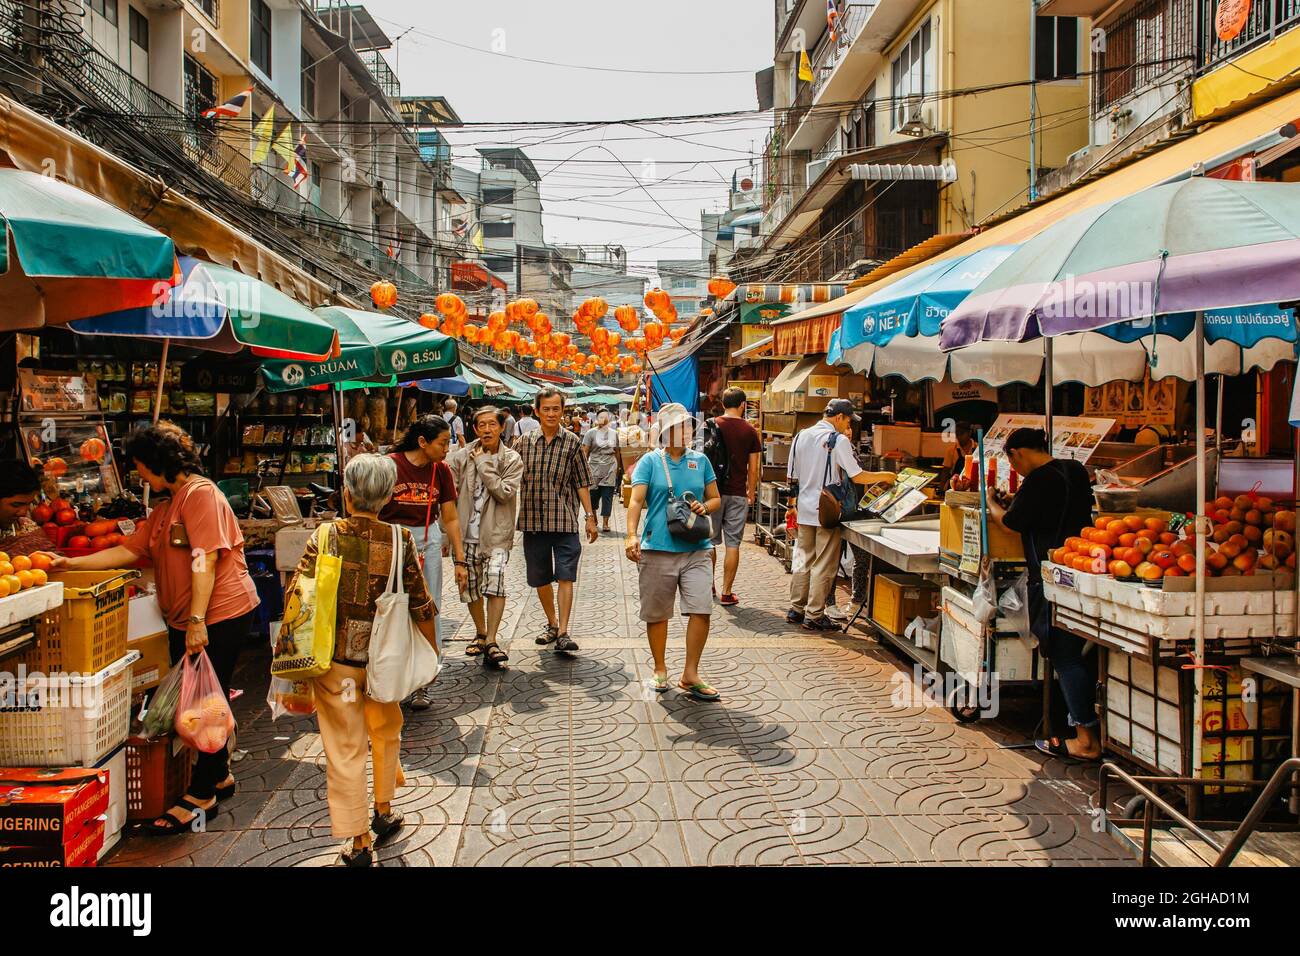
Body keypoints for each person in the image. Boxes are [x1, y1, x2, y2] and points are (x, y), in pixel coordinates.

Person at [54, 423, 259, 833]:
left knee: (202, 707)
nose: (139, 475)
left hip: (219, 613)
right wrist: (69, 565)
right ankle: (219, 775)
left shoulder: (200, 496)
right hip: (187, 618)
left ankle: (203, 793)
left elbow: (206, 559)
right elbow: (131, 549)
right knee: (204, 700)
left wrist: (198, 622)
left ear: (157, 462)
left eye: (141, 467)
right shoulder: (167, 506)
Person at [289, 454, 438, 866]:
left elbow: (298, 596)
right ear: (388, 495)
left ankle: (358, 842)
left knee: (345, 747)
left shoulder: (324, 536)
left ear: (347, 493)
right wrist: (432, 652)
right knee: (387, 728)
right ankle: (384, 810)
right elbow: (421, 604)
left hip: (335, 661)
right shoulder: (399, 539)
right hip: (383, 661)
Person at [989, 428, 1100, 760]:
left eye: (1012, 460)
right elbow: (1046, 511)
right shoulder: (1074, 470)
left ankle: (1085, 739)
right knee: (1080, 653)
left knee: (1064, 655)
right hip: (1079, 570)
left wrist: (992, 505)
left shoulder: (1038, 480)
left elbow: (1010, 523)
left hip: (1051, 578)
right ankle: (1080, 724)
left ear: (1017, 454)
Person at [625, 403, 723, 700]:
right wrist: (631, 535)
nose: (685, 431)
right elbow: (635, 501)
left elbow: (715, 498)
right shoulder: (649, 462)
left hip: (697, 548)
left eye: (688, 425)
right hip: (658, 548)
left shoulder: (701, 461)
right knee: (657, 614)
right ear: (665, 433)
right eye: (678, 426)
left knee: (701, 609)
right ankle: (660, 669)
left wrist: (704, 506)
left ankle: (690, 673)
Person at [380, 416, 468, 709]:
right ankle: (393, 676)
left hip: (428, 543)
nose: (448, 448)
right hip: (391, 542)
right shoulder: (389, 466)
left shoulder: (441, 471)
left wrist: (459, 559)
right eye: (443, 442)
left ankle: (424, 681)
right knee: (391, 609)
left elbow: (451, 517)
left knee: (429, 609)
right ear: (422, 442)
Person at [786, 400, 896, 631]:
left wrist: (792, 506)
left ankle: (796, 609)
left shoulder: (800, 437)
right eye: (847, 420)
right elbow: (857, 476)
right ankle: (814, 615)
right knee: (823, 565)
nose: (848, 425)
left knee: (803, 560)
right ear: (839, 417)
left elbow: (792, 477)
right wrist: (885, 475)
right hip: (827, 510)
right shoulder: (838, 440)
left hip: (805, 509)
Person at [516, 387, 599, 652]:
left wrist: (590, 517)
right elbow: (509, 479)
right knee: (539, 578)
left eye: (556, 409)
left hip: (564, 521)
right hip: (533, 522)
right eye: (546, 409)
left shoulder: (573, 442)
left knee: (566, 576)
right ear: (537, 411)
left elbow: (582, 482)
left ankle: (563, 631)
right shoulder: (523, 443)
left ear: (562, 411)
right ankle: (551, 624)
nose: (551, 414)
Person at [446, 407, 523, 666]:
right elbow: (449, 492)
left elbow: (504, 492)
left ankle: (491, 640)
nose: (487, 429)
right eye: (482, 425)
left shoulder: (512, 459)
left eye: (492, 424)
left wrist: (482, 464)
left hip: (497, 535)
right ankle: (480, 632)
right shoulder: (461, 457)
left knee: (495, 584)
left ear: (502, 427)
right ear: (475, 429)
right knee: (470, 587)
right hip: (466, 535)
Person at [708, 386, 762, 606]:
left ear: (723, 404)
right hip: (738, 493)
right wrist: (751, 492)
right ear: (743, 405)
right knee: (733, 544)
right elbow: (754, 467)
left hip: (712, 493)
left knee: (708, 542)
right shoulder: (750, 431)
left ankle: (707, 585)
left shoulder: (711, 425)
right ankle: (726, 592)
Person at [0, 460, 54, 556]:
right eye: (16, 505)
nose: (23, 513)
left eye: (29, 504)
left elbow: (54, 560)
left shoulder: (26, 526)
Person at [582, 410, 623, 533]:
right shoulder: (590, 433)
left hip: (610, 466)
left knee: (607, 496)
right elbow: (585, 451)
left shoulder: (614, 433)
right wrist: (583, 469)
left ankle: (606, 523)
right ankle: (594, 518)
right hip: (594, 467)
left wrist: (618, 468)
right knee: (593, 495)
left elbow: (617, 451)